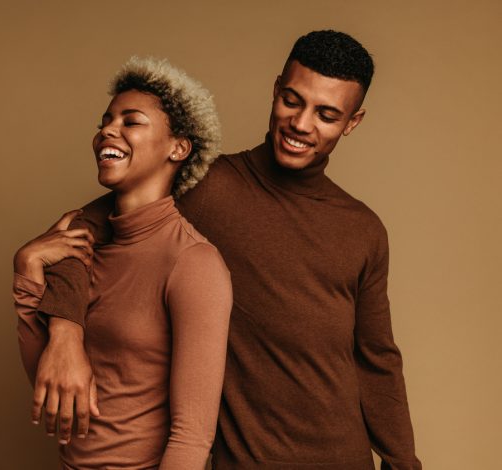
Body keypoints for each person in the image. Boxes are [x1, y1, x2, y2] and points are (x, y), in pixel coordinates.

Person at [33, 31, 422, 469]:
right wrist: (66, 331)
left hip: (342, 456)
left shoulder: (363, 229)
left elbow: (377, 359)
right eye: (293, 101)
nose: (301, 124)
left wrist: (403, 461)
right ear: (276, 91)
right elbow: (78, 230)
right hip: (240, 458)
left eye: (327, 114)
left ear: (352, 121)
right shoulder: (205, 185)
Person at [12, 57, 232, 469]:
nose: (107, 131)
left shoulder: (193, 262)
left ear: (178, 147)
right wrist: (27, 268)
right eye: (105, 120)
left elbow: (192, 436)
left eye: (131, 121)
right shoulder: (77, 245)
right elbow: (51, 391)